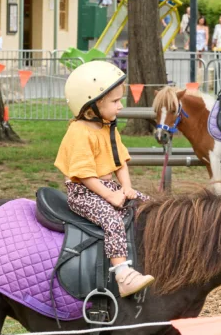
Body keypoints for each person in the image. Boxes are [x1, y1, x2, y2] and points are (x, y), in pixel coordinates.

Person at [55, 60, 154, 297]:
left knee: (150, 204)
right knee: (111, 220)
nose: (120, 106)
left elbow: (120, 162)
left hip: (108, 187)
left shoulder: (108, 127)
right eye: (115, 101)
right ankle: (122, 274)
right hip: (84, 193)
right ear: (93, 104)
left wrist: (127, 188)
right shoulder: (79, 132)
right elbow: (85, 175)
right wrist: (111, 195)